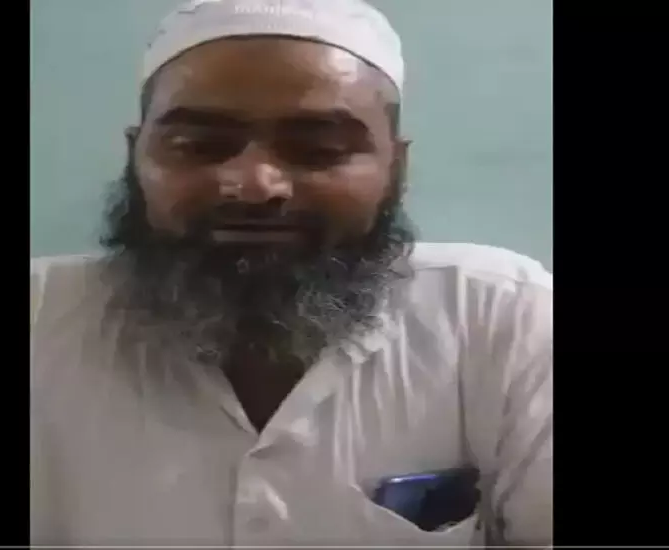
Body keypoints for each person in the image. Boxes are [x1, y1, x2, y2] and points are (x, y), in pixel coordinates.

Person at [30, 0, 552, 546]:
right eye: (200, 146)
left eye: (317, 149)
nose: (256, 185)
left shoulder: (500, 318)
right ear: (136, 157)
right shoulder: (41, 323)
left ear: (395, 168)